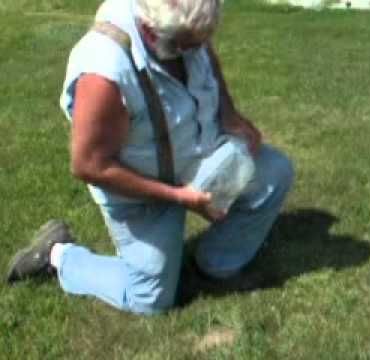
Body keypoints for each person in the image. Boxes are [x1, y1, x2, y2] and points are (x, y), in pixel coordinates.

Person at [6, 0, 294, 315]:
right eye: (186, 44)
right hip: (139, 191)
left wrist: (229, 112)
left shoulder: (184, 27)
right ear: (149, 28)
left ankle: (215, 264)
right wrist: (179, 197)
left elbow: (205, 54)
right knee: (150, 301)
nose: (196, 50)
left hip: (198, 155)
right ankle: (59, 255)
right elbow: (89, 165)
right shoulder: (105, 71)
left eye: (200, 41)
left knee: (274, 174)